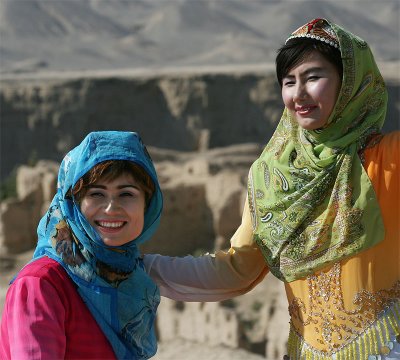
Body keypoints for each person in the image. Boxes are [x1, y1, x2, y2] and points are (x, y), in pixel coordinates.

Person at [143, 18, 400, 359]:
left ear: (351, 82)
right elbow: (236, 271)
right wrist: (141, 266)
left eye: (314, 77)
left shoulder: (389, 161)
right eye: (289, 81)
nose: (299, 94)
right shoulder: (270, 177)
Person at [0, 131, 163, 359]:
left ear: (147, 205)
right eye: (96, 194)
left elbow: (211, 276)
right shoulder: (41, 285)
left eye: (126, 194)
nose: (111, 208)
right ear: (72, 204)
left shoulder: (130, 275)